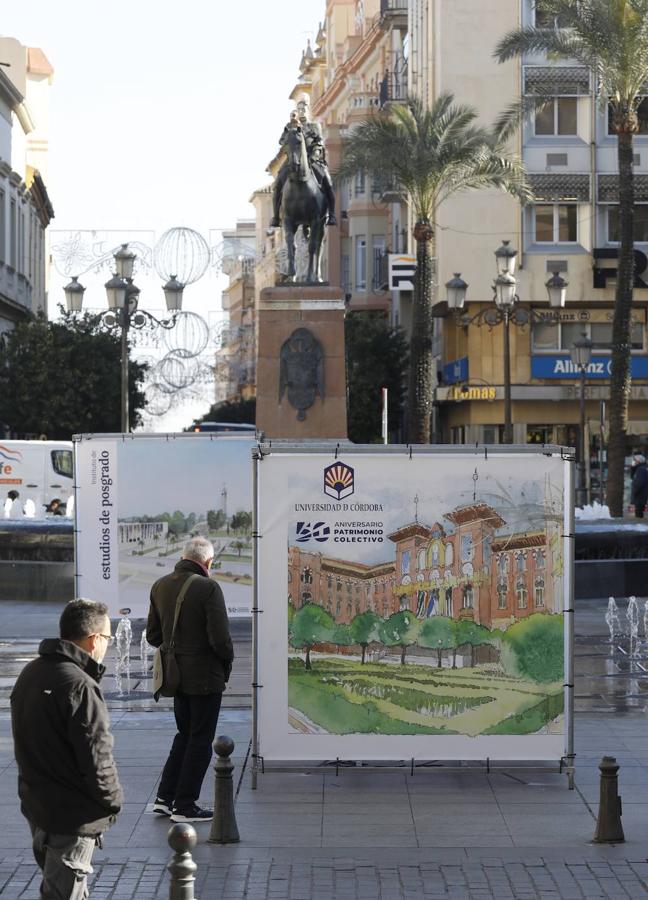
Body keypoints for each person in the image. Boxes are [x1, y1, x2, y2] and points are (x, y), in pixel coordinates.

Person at [11, 599, 122, 900]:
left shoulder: (32, 673)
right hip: (72, 816)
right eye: (108, 639)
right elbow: (97, 755)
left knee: (63, 889)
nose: (108, 647)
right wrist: (113, 802)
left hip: (39, 807)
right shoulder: (80, 685)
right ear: (94, 639)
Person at [147, 536, 234, 823]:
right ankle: (185, 805)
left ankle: (164, 798)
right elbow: (220, 639)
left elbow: (153, 636)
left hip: (175, 676)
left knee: (184, 735)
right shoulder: (208, 588)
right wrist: (226, 663)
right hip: (205, 676)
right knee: (201, 739)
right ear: (208, 562)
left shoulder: (160, 585)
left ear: (184, 556)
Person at [270, 93, 337, 227]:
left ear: (308, 110)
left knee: (328, 182)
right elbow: (281, 141)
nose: (301, 112)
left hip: (313, 160)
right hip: (293, 160)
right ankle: (276, 216)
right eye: (299, 109)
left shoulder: (314, 126)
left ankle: (332, 214)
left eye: (303, 109)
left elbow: (319, 143)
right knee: (278, 183)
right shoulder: (290, 127)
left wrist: (314, 156)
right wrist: (290, 126)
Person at [631, 453, 648, 518]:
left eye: (634, 460)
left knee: (638, 515)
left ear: (638, 461)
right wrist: (632, 468)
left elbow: (638, 483)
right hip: (640, 497)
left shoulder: (641, 470)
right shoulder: (639, 469)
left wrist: (634, 492)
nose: (633, 462)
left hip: (639, 498)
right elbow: (632, 477)